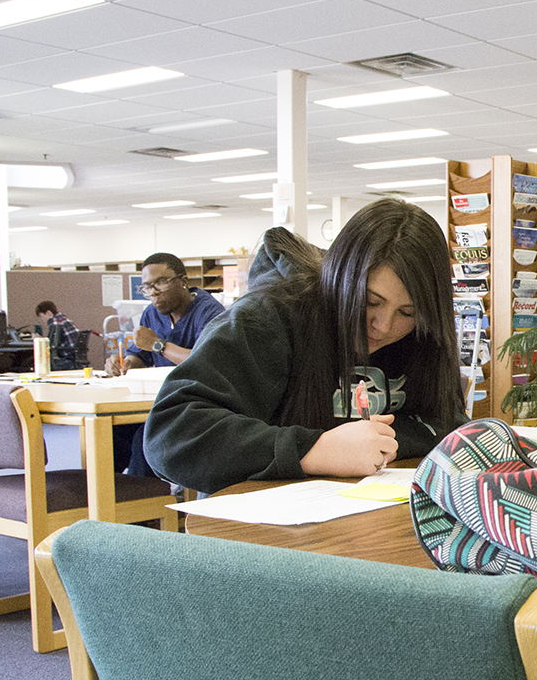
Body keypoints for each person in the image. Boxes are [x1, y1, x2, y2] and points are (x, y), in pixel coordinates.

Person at [144, 198, 466, 496]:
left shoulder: (423, 339)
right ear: (340, 279)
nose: (383, 326)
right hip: (257, 532)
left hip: (368, 522)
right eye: (369, 302)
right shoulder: (267, 316)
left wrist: (385, 441)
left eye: (408, 312)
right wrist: (314, 450)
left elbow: (449, 428)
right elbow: (171, 436)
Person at [109, 253, 226, 476]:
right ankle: (107, 502)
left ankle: (144, 505)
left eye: (160, 283)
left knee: (145, 438)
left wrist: (158, 345)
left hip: (197, 406)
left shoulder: (210, 312)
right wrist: (125, 364)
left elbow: (204, 361)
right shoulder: (152, 313)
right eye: (147, 287)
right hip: (159, 402)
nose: (153, 292)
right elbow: (139, 356)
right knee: (113, 435)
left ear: (183, 281)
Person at [33, 300, 80, 370]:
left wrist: (38, 339)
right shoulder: (64, 319)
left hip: (64, 359)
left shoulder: (55, 322)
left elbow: (51, 345)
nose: (42, 320)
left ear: (48, 313)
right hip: (73, 357)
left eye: (41, 316)